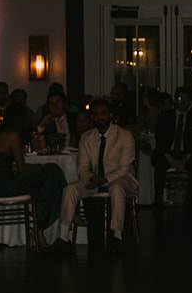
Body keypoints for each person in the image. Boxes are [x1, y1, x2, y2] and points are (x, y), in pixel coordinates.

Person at [49, 98, 136, 252]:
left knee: (116, 187)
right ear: (92, 117)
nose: (100, 117)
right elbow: (82, 168)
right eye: (96, 114)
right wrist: (92, 179)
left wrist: (105, 179)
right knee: (70, 189)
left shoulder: (124, 136)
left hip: (122, 179)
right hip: (95, 180)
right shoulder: (87, 137)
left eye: (103, 114)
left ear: (110, 115)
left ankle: (117, 236)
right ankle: (63, 238)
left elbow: (124, 168)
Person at [0, 104, 65, 248]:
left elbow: (5, 164)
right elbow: (22, 167)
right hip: (5, 186)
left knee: (42, 187)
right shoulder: (13, 136)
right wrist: (40, 168)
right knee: (53, 169)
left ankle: (38, 232)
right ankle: (70, 209)